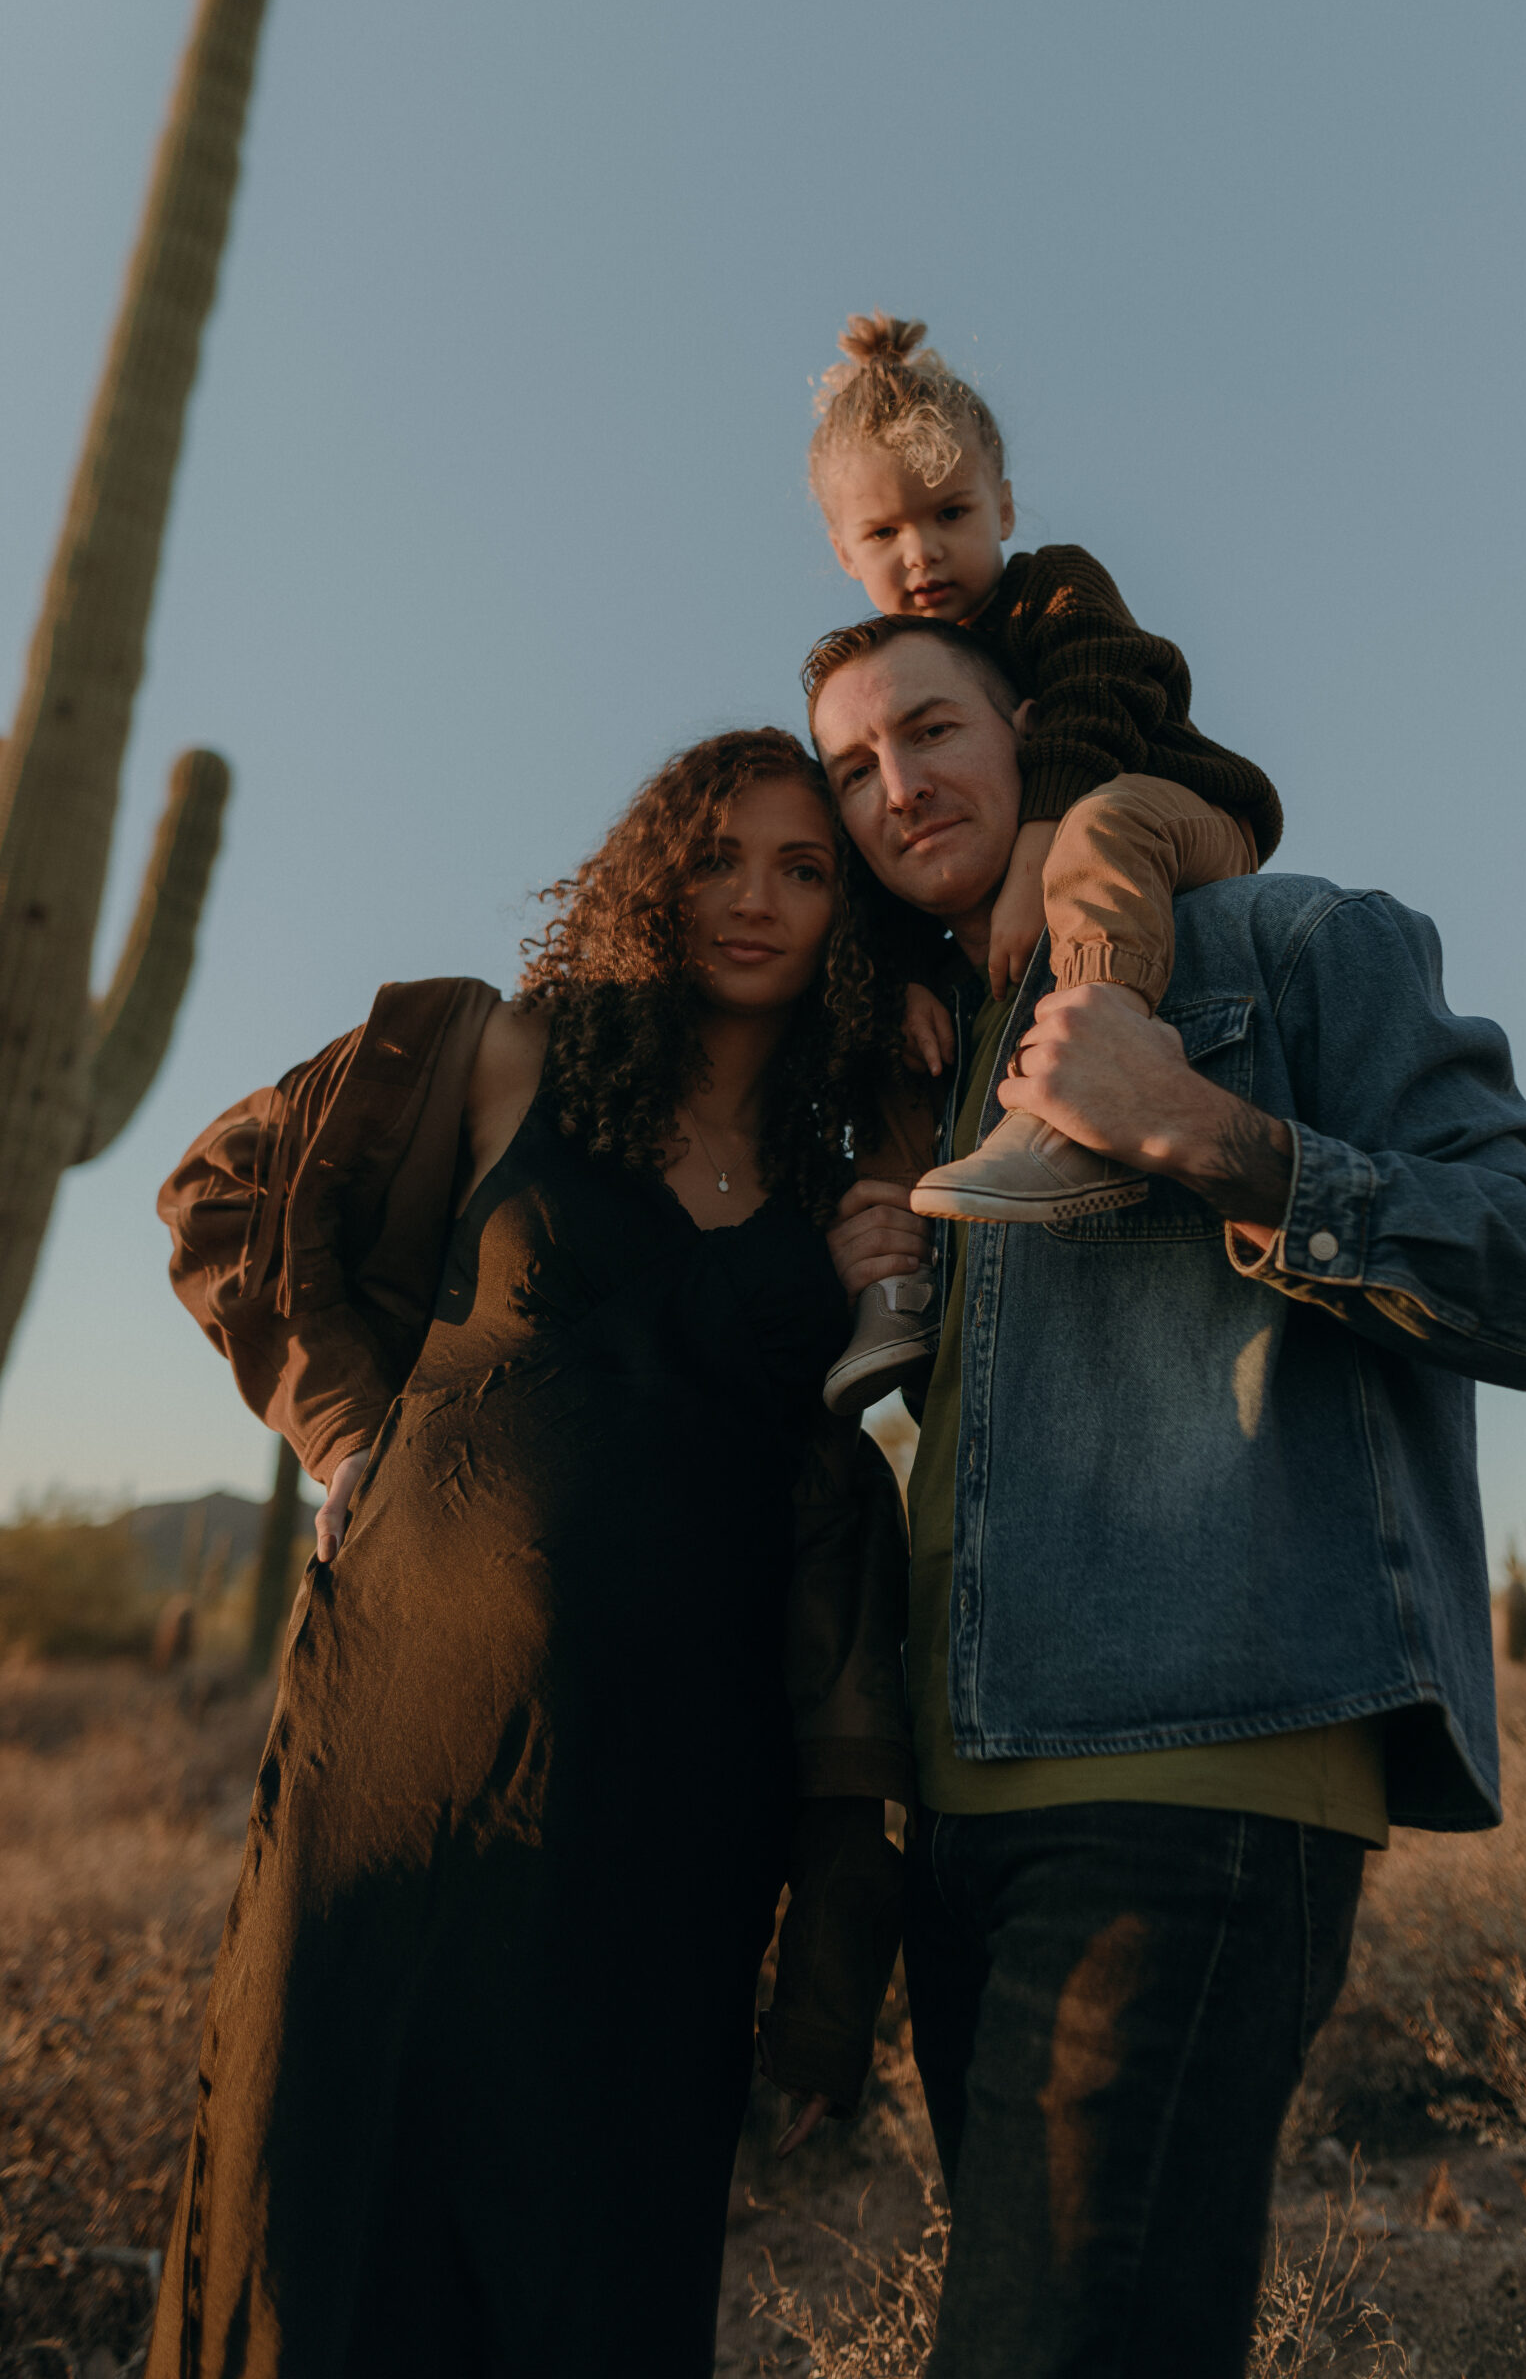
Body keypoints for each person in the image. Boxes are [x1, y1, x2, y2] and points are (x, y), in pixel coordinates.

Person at [804, 615, 1526, 2377]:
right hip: (968, 1799)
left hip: (1197, 1762)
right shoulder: (921, 1076)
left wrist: (1203, 1132)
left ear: (1023, 730)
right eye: (852, 769)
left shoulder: (1292, 942)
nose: (895, 786)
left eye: (927, 730)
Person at [145, 729, 913, 2379]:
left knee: (590, 2250)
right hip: (403, 1747)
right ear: (653, 872)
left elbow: (832, 1490)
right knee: (331, 2204)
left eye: (803, 870)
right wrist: (343, 1427)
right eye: (720, 858)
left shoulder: (839, 1181)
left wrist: (870, 1274)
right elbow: (219, 1195)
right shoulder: (497, 1057)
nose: (757, 901)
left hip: (680, 1804)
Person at [809, 313, 1284, 1415]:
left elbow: (1103, 697)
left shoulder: (1054, 590)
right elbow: (874, 865)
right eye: (883, 534)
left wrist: (1032, 852)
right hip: (1072, 851)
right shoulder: (881, 685)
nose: (919, 553)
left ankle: (1090, 1069)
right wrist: (899, 982)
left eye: (951, 515)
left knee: (1098, 824)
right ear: (843, 554)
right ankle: (894, 1292)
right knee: (897, 1046)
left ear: (1005, 508)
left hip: (1180, 819)